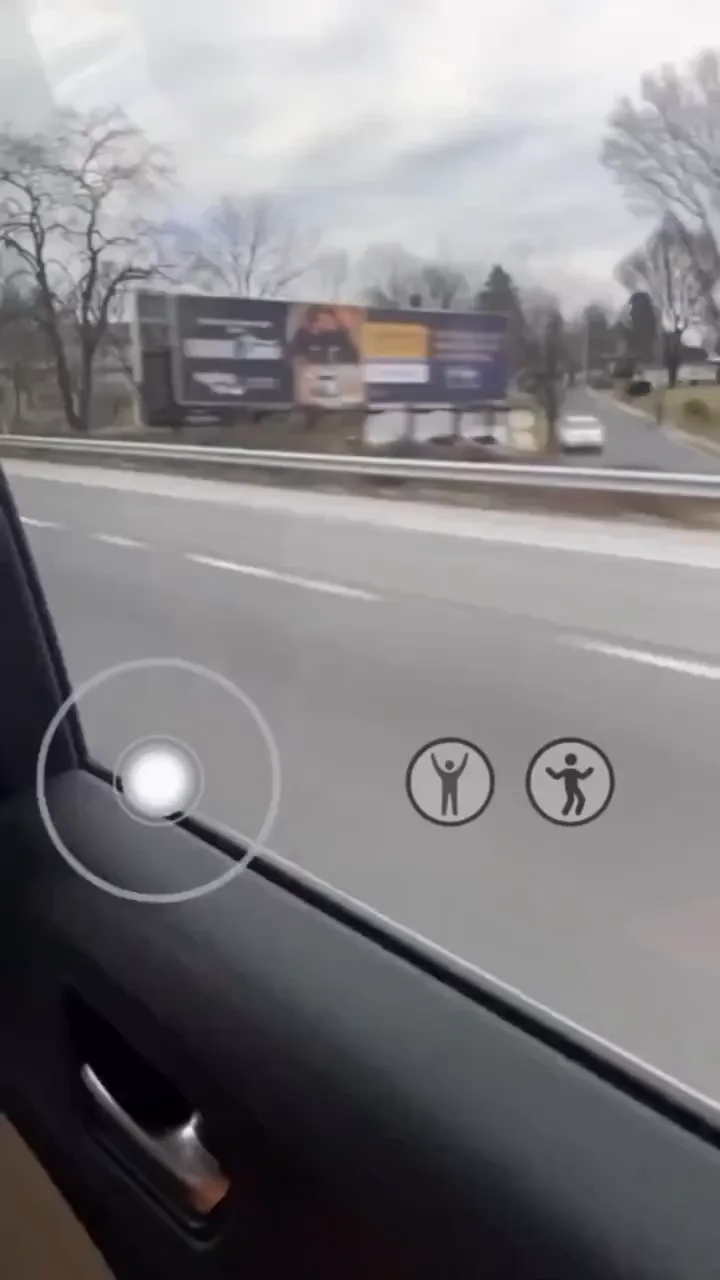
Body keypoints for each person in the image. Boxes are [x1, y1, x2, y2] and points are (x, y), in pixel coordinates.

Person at [287, 305, 360, 366]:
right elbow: (293, 358)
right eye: (327, 320)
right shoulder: (303, 334)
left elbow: (353, 358)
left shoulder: (340, 335)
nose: (334, 323)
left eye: (334, 320)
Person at [431, 752, 468, 818]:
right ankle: (452, 813)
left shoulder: (444, 774)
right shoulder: (455, 774)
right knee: (451, 801)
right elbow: (462, 766)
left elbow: (436, 766)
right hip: (452, 790)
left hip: (447, 790)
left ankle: (447, 813)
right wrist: (466, 757)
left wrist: (432, 757)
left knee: (447, 801)